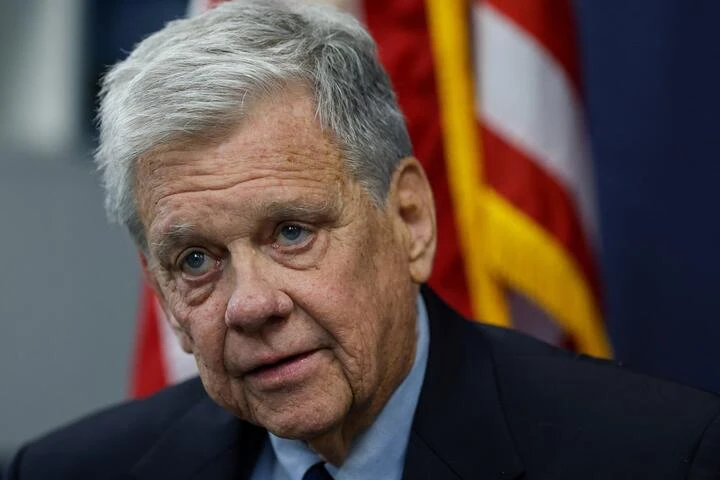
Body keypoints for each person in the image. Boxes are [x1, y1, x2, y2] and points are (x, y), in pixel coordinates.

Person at [6, 1, 720, 478]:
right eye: (195, 260)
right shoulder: (68, 472)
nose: (249, 305)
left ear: (409, 220)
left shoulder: (656, 456)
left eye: (292, 232)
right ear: (161, 292)